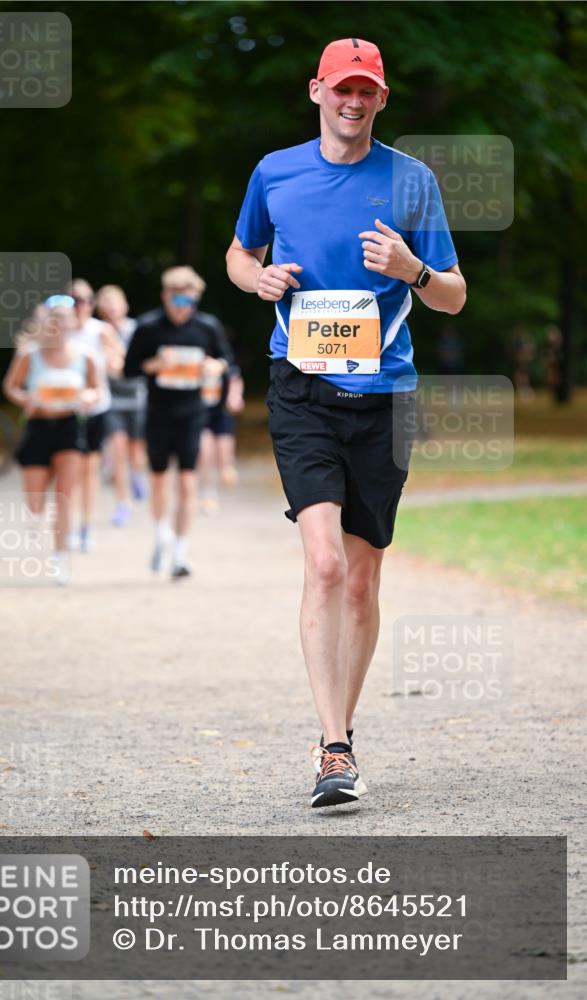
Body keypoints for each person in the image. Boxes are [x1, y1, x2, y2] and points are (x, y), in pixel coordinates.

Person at [226, 38, 466, 808]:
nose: (353, 102)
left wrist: (414, 271)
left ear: (382, 99)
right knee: (324, 564)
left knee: (361, 580)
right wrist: (255, 277)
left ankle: (344, 734)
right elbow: (238, 252)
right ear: (316, 91)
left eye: (366, 91)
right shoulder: (276, 171)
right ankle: (332, 749)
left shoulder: (412, 181)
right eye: (341, 89)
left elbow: (454, 294)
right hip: (299, 388)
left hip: (385, 397)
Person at [124, 266, 232, 578]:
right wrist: (154, 364)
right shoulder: (148, 328)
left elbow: (227, 361)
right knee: (159, 479)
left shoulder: (207, 327)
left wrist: (216, 366)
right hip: (158, 413)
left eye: (189, 301)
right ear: (165, 297)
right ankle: (161, 535)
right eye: (177, 301)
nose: (183, 308)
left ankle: (181, 554)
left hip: (193, 413)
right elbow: (129, 370)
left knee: (187, 483)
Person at [3, 296, 101, 584]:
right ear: (45, 322)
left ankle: (60, 560)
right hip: (38, 428)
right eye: (54, 318)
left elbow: (97, 390)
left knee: (64, 497)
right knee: (36, 501)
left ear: (74, 322)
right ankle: (36, 520)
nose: (59, 324)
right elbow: (11, 387)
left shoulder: (85, 356)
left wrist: (87, 397)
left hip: (70, 428)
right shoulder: (29, 355)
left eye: (64, 318)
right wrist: (26, 400)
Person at [69, 279, 123, 551]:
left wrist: (112, 359)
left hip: (96, 409)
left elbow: (119, 365)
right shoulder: (58, 330)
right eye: (75, 300)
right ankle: (67, 523)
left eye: (87, 300)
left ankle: (85, 527)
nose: (81, 306)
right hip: (64, 411)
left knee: (89, 470)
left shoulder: (101, 331)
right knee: (68, 471)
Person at [95, 284, 148, 526]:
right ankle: (122, 503)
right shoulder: (98, 332)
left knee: (136, 451)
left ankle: (137, 475)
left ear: (124, 306)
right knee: (117, 451)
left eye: (115, 303)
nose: (111, 309)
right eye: (106, 304)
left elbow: (135, 363)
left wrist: (119, 362)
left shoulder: (136, 329)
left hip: (138, 397)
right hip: (112, 399)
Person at [198, 347, 245, 513]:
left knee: (225, 458)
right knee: (205, 453)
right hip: (201, 414)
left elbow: (235, 381)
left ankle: (227, 469)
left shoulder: (225, 363)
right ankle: (208, 495)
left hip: (222, 413)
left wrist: (235, 398)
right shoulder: (195, 361)